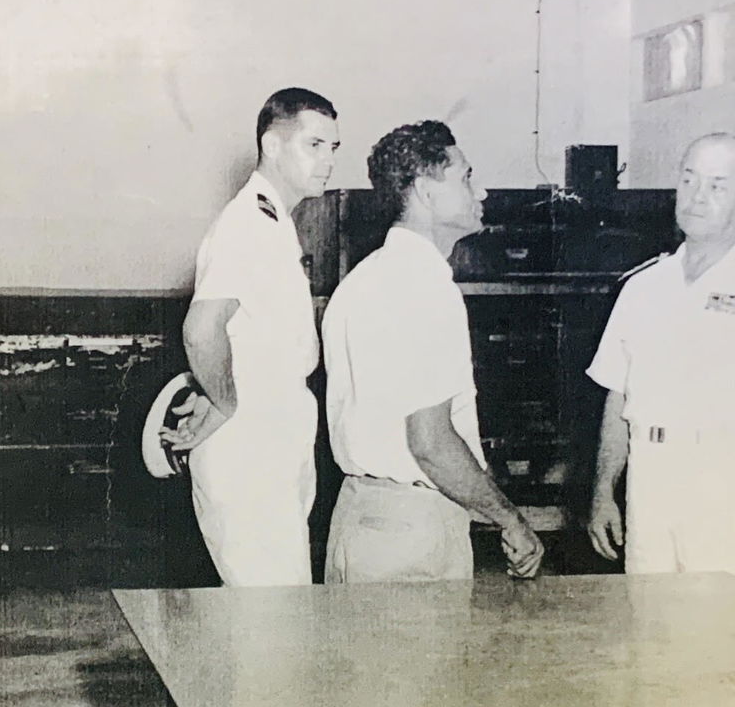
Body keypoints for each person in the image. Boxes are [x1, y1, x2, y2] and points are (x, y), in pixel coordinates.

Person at [321, 120, 544, 583]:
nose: (480, 192)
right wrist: (511, 520)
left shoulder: (362, 278)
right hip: (411, 529)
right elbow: (430, 442)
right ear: (425, 190)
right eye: (465, 177)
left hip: (361, 517)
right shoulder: (424, 288)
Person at [586, 133, 735, 590]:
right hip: (649, 481)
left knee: (724, 642)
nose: (697, 197)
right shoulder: (642, 286)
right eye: (689, 180)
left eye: (717, 185)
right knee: (649, 637)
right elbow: (619, 394)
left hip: (728, 482)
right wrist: (603, 490)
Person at [160, 88, 340, 586]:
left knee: (272, 620)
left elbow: (245, 341)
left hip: (273, 435)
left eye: (333, 148)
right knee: (273, 628)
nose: (328, 161)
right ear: (273, 145)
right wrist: (224, 403)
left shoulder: (272, 220)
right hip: (253, 446)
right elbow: (201, 331)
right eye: (315, 145)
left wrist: (220, 394)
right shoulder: (249, 222)